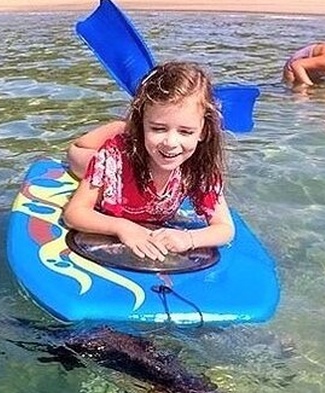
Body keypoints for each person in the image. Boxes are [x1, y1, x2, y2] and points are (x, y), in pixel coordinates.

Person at [62, 61, 235, 262]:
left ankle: (139, 128)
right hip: (107, 157)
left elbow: (225, 229)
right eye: (158, 129)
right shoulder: (113, 160)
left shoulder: (199, 168)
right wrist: (121, 226)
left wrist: (189, 238)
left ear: (203, 132)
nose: (171, 142)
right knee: (78, 156)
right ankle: (123, 128)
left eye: (185, 131)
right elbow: (74, 213)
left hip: (144, 144)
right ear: (142, 123)